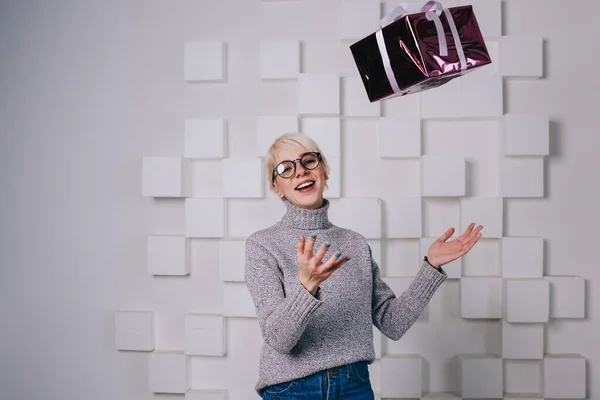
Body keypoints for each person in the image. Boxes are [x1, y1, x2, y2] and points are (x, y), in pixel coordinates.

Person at [244, 132, 483, 399]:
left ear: (324, 171)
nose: (300, 171)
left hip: (354, 386)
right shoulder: (262, 246)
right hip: (292, 390)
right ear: (277, 187)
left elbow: (393, 323)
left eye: (308, 161)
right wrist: (307, 285)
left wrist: (431, 266)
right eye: (286, 168)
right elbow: (279, 340)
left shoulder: (354, 243)